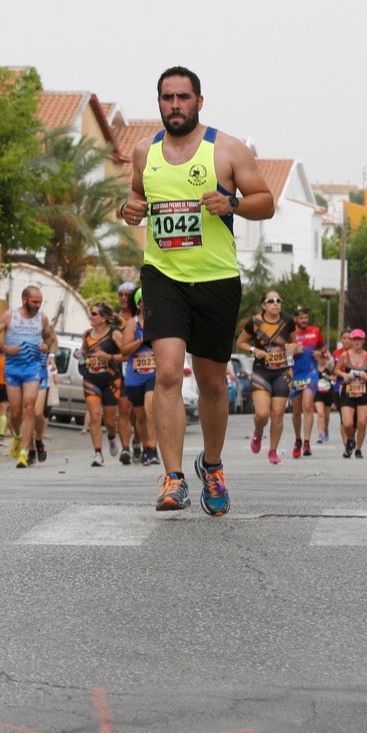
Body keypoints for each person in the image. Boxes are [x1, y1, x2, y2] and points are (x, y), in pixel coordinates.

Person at [119, 66, 275, 514]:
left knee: (210, 381)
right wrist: (129, 210)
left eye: (183, 97)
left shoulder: (226, 149)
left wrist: (234, 204)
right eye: (167, 98)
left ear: (199, 102)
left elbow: (265, 200)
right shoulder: (143, 152)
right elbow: (136, 200)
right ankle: (172, 478)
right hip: (163, 276)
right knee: (167, 373)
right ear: (159, 104)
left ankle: (212, 465)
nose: (175, 106)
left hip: (216, 279)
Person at [0, 285, 57, 468]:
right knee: (15, 412)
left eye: (40, 302)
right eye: (34, 302)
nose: (38, 305)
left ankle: (25, 451)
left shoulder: (42, 318)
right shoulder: (9, 316)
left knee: (30, 408)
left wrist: (46, 346)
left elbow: (50, 338)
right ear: (24, 300)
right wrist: (5, 348)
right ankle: (19, 437)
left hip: (34, 368)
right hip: (13, 369)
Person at [237, 291, 298, 466]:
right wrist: (253, 351)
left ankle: (272, 450)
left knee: (278, 414)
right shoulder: (255, 322)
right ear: (263, 305)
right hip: (261, 372)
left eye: (278, 300)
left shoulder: (287, 321)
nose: (275, 304)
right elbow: (241, 342)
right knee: (262, 414)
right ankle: (258, 432)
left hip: (283, 372)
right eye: (271, 301)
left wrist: (292, 347)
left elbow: (295, 342)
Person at [79, 302, 125, 466]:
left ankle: (112, 437)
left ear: (103, 318)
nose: (91, 316)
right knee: (95, 417)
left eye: (94, 314)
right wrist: (79, 355)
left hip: (111, 380)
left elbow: (126, 355)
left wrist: (109, 357)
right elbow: (83, 352)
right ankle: (98, 454)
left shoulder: (115, 334)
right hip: (91, 379)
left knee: (110, 420)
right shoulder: (87, 335)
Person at [117, 287, 159, 465]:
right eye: (144, 301)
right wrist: (141, 340)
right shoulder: (132, 324)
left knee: (151, 410)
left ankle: (152, 449)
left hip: (153, 374)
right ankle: (144, 446)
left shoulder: (159, 322)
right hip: (135, 376)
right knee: (140, 416)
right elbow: (124, 350)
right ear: (139, 304)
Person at [288, 305, 323, 458]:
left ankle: (307, 442)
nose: (304, 320)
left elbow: (323, 349)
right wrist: (292, 350)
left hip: (311, 373)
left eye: (306, 318)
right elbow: (282, 350)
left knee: (307, 405)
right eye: (301, 318)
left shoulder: (315, 331)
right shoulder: (291, 334)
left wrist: (319, 353)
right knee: (296, 410)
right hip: (295, 374)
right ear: (295, 319)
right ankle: (298, 440)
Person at [336, 329, 367, 458]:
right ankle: (350, 440)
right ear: (351, 341)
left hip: (363, 392)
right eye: (354, 339)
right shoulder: (345, 355)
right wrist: (345, 374)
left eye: (359, 339)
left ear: (363, 341)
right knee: (347, 423)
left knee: (361, 423)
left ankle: (358, 449)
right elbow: (336, 370)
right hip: (348, 391)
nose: (356, 342)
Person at [313, 344, 337, 444]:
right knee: (320, 414)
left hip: (328, 392)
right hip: (318, 393)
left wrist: (327, 376)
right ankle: (320, 434)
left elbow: (335, 378)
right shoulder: (313, 368)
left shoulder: (329, 367)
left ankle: (326, 429)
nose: (321, 360)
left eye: (323, 358)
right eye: (320, 358)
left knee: (326, 416)